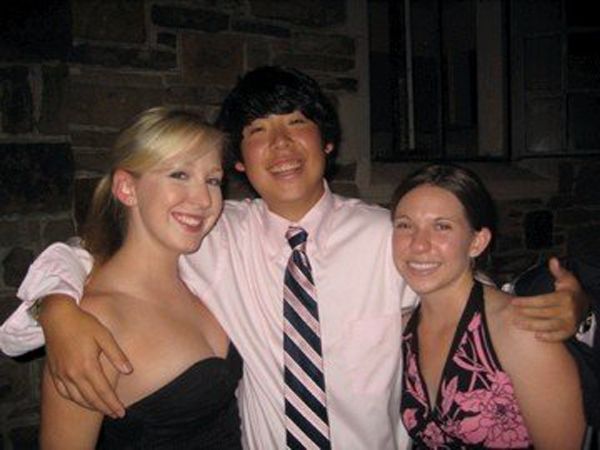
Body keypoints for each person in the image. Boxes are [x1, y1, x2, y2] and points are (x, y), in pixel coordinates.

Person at [0, 67, 589, 449]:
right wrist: (58, 309)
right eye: (258, 130)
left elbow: (468, 292)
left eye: (297, 123)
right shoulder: (210, 230)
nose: (280, 144)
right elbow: (94, 253)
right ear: (239, 161)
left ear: (327, 142)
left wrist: (576, 309)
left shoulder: (385, 235)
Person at [39, 107, 242, 449]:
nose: (204, 199)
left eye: (212, 180)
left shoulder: (204, 277)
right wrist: (54, 310)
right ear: (127, 188)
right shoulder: (94, 322)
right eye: (179, 174)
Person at [392, 164, 585, 448]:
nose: (418, 245)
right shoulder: (404, 330)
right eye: (405, 225)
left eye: (442, 226)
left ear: (477, 242)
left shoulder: (520, 331)